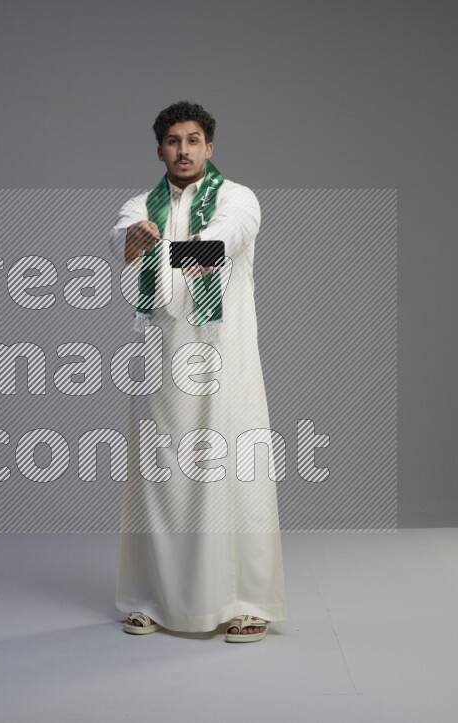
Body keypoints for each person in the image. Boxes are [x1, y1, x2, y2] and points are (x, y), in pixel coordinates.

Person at [108, 101, 286, 642]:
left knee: (235, 472)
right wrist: (129, 241)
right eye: (172, 141)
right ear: (159, 149)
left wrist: (155, 248)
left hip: (223, 358)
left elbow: (222, 242)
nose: (182, 151)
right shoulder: (141, 204)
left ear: (209, 147)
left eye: (192, 140)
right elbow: (118, 239)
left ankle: (246, 603)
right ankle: (154, 599)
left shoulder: (238, 198)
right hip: (164, 361)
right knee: (160, 477)